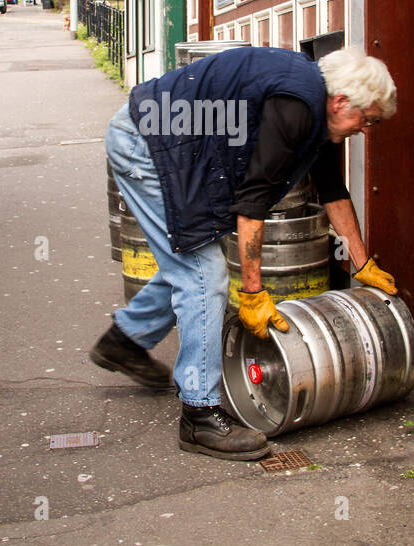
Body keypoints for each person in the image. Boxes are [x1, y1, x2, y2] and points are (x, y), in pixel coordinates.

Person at [90, 45, 398, 461]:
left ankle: (126, 340)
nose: (366, 129)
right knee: (204, 272)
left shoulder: (318, 107)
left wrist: (362, 262)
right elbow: (252, 203)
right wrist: (252, 294)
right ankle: (199, 416)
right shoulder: (298, 106)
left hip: (173, 145)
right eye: (368, 119)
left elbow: (331, 188)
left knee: (191, 264)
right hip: (145, 144)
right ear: (343, 101)